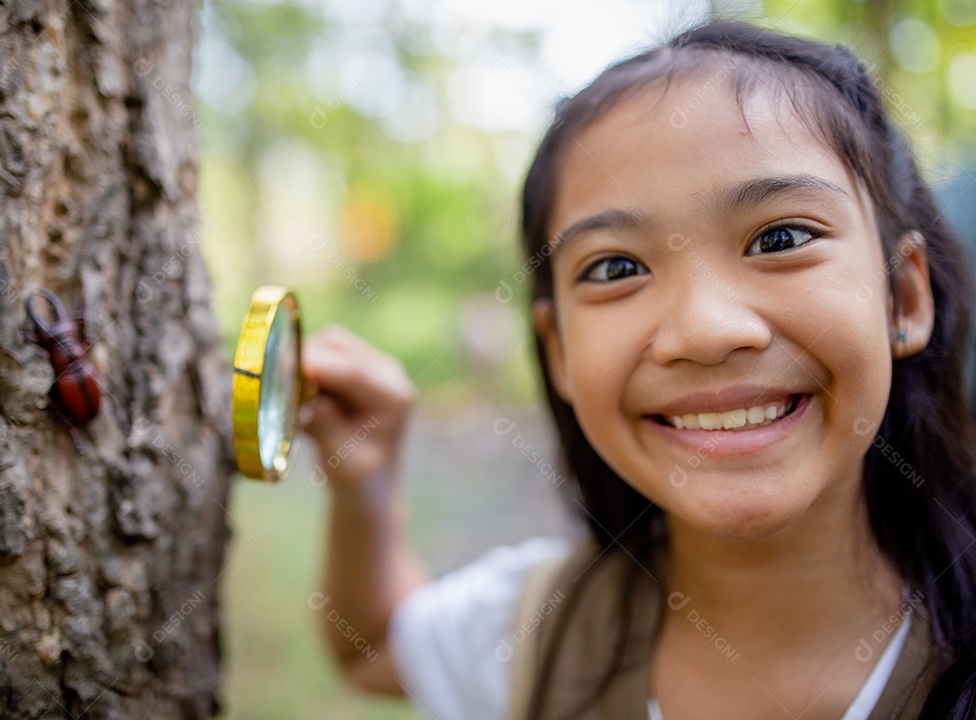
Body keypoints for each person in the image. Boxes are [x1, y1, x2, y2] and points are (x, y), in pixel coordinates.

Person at [299, 19, 976, 720]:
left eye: (780, 238)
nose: (706, 332)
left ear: (902, 294)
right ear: (558, 350)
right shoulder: (534, 634)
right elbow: (374, 645)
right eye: (617, 267)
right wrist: (365, 483)